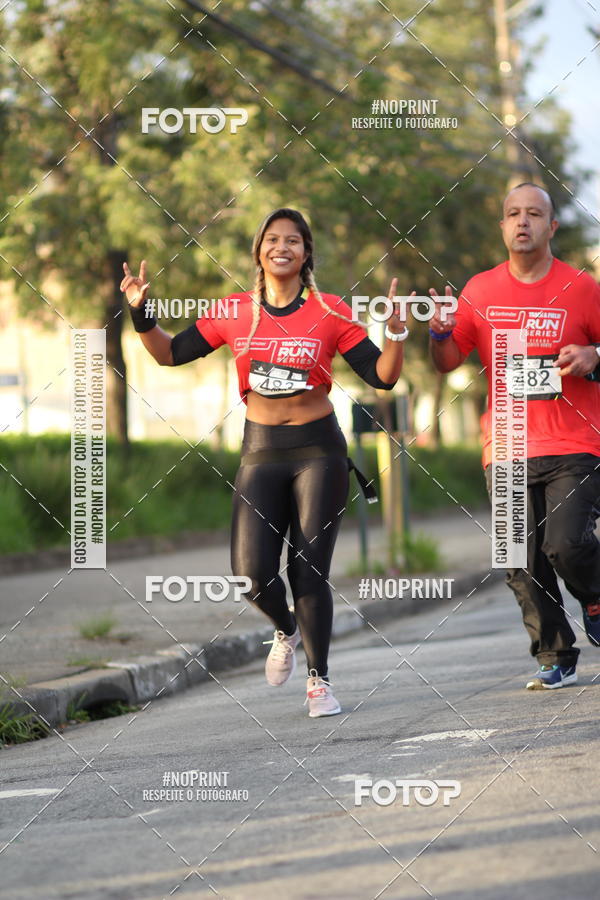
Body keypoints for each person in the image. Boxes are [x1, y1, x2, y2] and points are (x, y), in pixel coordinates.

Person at [121, 208, 408, 716]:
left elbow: (382, 376)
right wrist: (143, 313)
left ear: (306, 253)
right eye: (272, 239)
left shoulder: (331, 311)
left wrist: (397, 335)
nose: (282, 247)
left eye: (293, 240)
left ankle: (319, 681)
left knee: (308, 571)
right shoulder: (234, 311)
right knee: (249, 573)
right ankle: (285, 628)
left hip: (319, 451)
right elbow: (169, 353)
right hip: (261, 450)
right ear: (259, 251)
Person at [429, 182, 600, 690]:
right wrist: (438, 333)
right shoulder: (479, 291)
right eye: (512, 214)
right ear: (502, 226)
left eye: (534, 214)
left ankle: (594, 594)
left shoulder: (583, 287)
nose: (522, 221)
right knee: (519, 561)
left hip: (574, 444)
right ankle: (554, 653)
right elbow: (447, 362)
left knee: (566, 545)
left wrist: (595, 356)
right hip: (504, 446)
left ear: (553, 226)